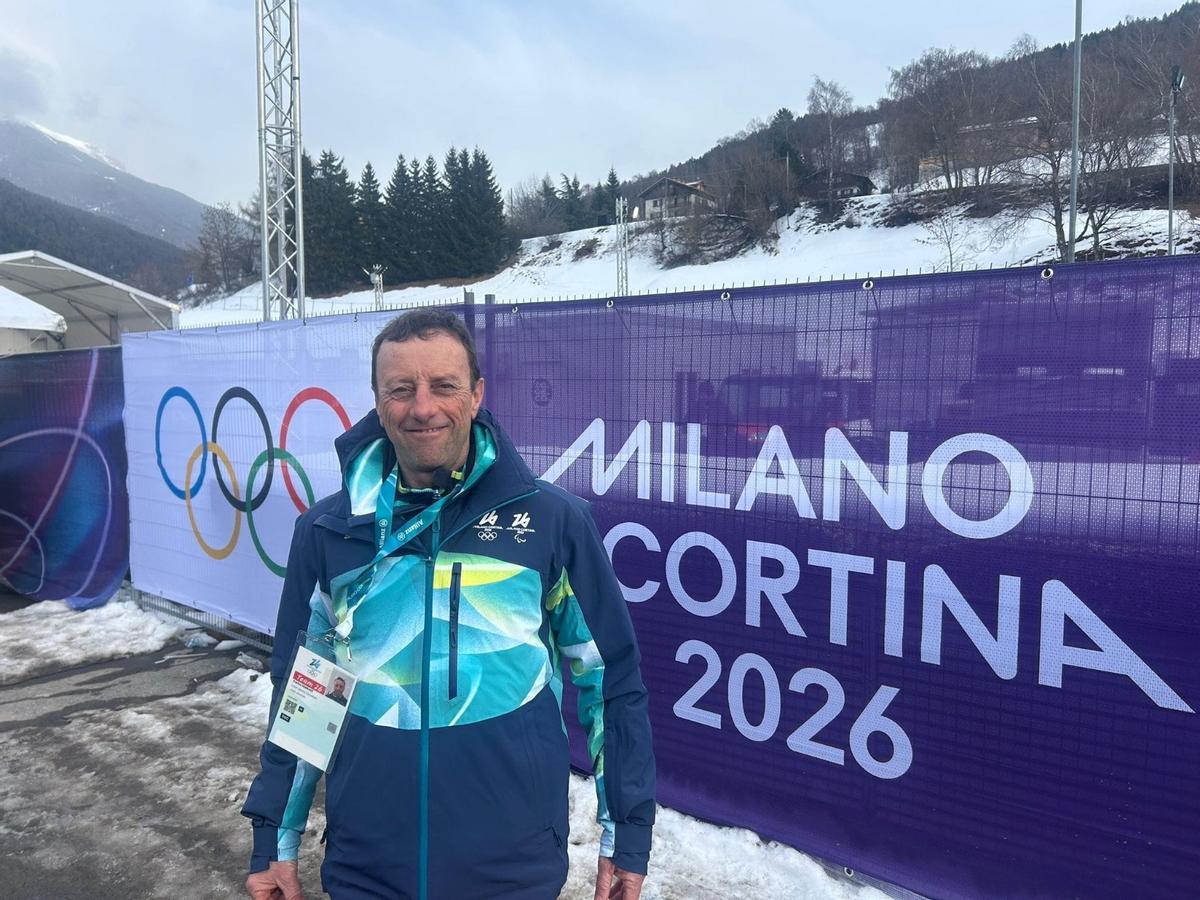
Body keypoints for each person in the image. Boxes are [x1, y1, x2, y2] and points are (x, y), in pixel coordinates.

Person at [242, 309, 655, 900]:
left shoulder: (551, 521)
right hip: (369, 868)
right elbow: (306, 692)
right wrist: (275, 844)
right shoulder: (330, 531)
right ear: (378, 401)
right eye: (401, 389)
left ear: (477, 393)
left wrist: (626, 835)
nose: (423, 407)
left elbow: (609, 682)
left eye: (444, 385)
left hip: (512, 868)